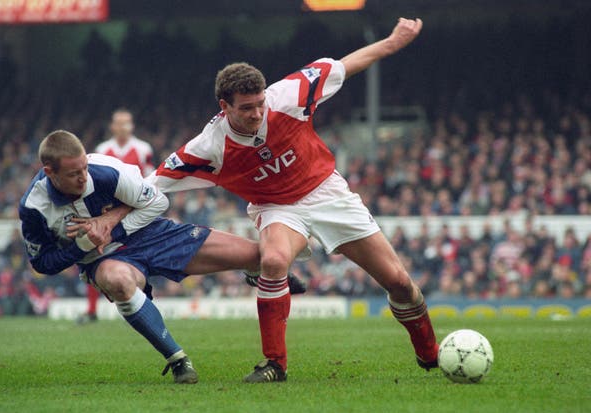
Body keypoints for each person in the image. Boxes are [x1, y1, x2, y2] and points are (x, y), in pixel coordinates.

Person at [148, 17, 438, 382]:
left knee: (397, 281)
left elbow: (345, 66)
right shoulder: (208, 146)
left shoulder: (289, 95)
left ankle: (430, 353)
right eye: (246, 108)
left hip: (326, 192)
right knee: (271, 261)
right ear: (224, 106)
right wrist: (106, 216)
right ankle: (275, 364)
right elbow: (150, 185)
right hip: (277, 208)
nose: (256, 113)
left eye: (259, 103)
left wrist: (393, 42)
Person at [19, 130, 267, 384]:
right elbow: (42, 263)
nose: (84, 177)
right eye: (73, 173)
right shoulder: (34, 208)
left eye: (84, 167)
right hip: (103, 259)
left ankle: (256, 273)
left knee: (258, 255)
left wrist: (110, 223)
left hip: (150, 234)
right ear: (50, 172)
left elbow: (158, 202)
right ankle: (178, 359)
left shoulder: (105, 171)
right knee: (117, 281)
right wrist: (82, 246)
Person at [77, 109, 155, 324]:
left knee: (142, 254)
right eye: (119, 123)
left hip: (134, 210)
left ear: (132, 126)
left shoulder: (142, 149)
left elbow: (149, 178)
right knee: (94, 254)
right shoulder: (103, 150)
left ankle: (141, 302)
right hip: (107, 212)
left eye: (127, 123)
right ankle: (92, 309)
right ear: (112, 126)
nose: (123, 127)